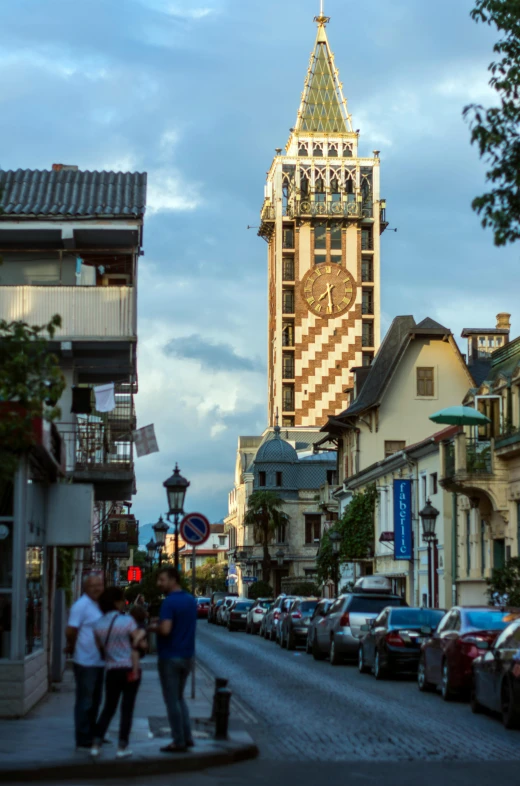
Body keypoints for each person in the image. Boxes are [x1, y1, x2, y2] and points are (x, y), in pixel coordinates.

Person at [90, 587, 145, 759]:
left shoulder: (98, 625)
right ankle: (122, 747)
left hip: (112, 670)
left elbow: (100, 650)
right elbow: (141, 644)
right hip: (129, 669)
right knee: (126, 709)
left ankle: (95, 744)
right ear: (116, 602)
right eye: (122, 600)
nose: (124, 603)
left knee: (108, 707)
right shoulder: (127, 621)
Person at [153, 567, 197, 753]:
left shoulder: (169, 603)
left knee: (172, 701)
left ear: (173, 580)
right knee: (180, 699)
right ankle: (187, 737)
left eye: (162, 580)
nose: (158, 584)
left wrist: (151, 627)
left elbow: (165, 630)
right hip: (187, 656)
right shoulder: (190, 600)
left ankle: (178, 741)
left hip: (170, 656)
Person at [66, 574, 104, 750]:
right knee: (85, 701)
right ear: (85, 588)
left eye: (99, 585)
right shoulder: (80, 606)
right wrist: (73, 647)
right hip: (85, 661)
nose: (97, 588)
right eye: (92, 586)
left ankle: (92, 733)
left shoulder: (100, 605)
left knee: (96, 701)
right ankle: (82, 737)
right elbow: (71, 630)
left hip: (99, 662)